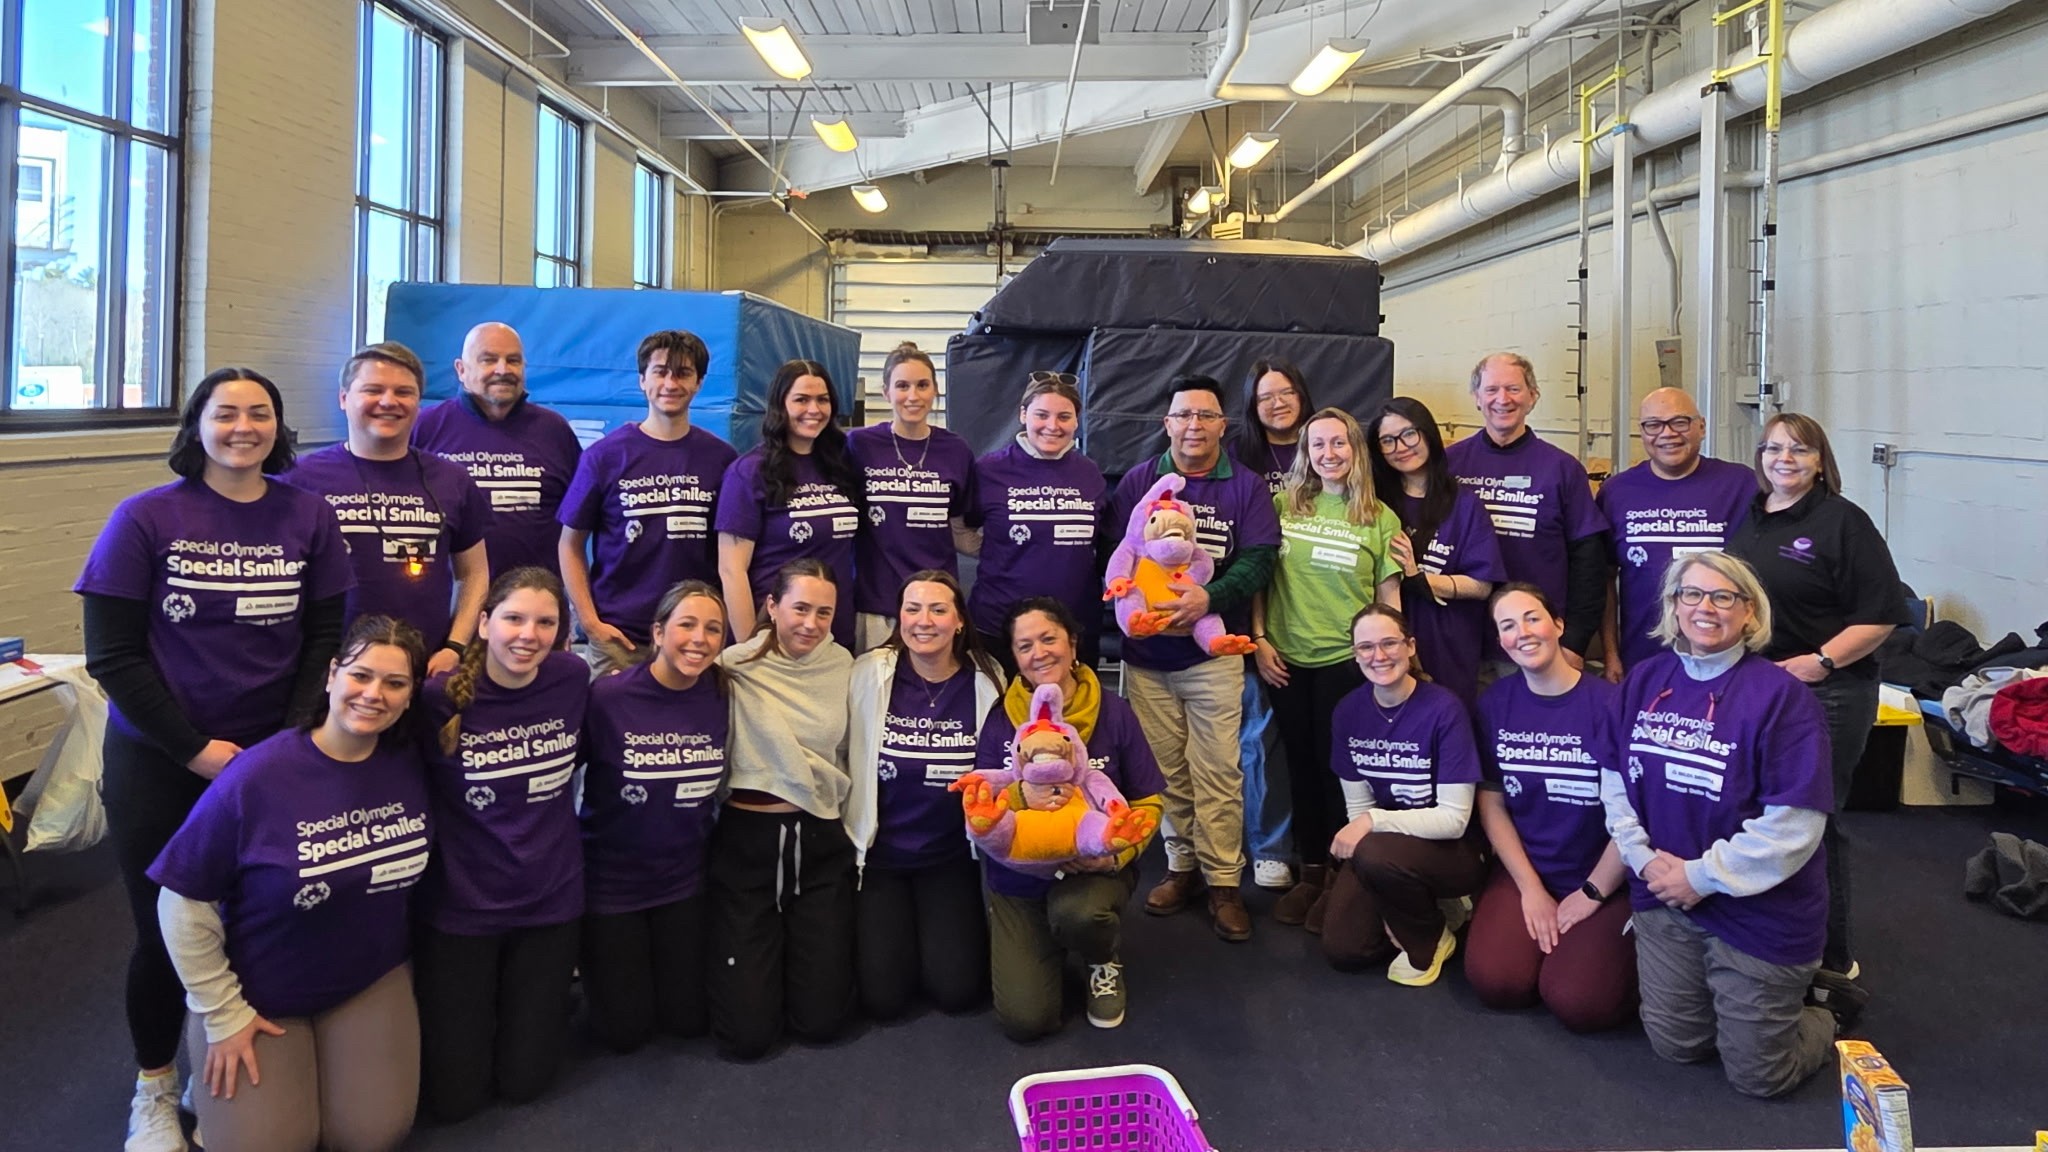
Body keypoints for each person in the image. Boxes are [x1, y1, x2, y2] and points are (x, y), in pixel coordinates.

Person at [76, 366, 353, 1152]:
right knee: (162, 929)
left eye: (259, 413)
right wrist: (195, 750)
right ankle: (154, 1087)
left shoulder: (308, 515)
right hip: (161, 760)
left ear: (279, 427)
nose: (243, 427)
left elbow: (324, 640)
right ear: (196, 424)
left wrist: (289, 741)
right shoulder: (143, 519)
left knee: (257, 919)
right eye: (225, 413)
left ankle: (218, 1056)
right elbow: (115, 658)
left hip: (271, 758)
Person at [149, 616, 432, 1152]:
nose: (374, 694)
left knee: (372, 1135)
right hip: (260, 995)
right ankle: (210, 1092)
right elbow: (181, 900)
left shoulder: (410, 764)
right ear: (331, 675)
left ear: (411, 695)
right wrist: (223, 1014)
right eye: (361, 675)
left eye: (394, 683)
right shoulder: (258, 775)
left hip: (367, 978)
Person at [1605, 550, 1860, 1097]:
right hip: (1663, 893)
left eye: (1724, 597)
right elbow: (1615, 781)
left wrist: (1698, 877)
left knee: (1759, 1078)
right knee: (1677, 1045)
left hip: (1760, 909)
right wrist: (1644, 859)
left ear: (1749, 611)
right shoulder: (1644, 680)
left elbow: (1794, 825)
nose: (1705, 608)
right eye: (1690, 594)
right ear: (1673, 606)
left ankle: (1826, 1010)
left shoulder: (1783, 697)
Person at [1726, 414, 1909, 981]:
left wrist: (1819, 661)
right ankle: (1769, 938)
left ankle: (1832, 960)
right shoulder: (1752, 517)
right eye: (1773, 448)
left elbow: (1881, 615)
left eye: (1799, 449)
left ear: (1820, 459)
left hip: (1826, 690)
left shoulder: (1842, 522)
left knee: (1812, 823)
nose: (1784, 458)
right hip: (1761, 687)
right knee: (1761, 813)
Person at [414, 568, 589, 1122]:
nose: (527, 635)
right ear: (484, 623)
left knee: (524, 1083)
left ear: (562, 633)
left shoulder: (570, 679)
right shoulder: (437, 698)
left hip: (551, 898)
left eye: (545, 623)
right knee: (455, 1099)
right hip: (464, 905)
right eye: (513, 618)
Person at [1115, 373, 1281, 942]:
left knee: (1219, 772)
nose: (1194, 426)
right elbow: (1119, 555)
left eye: (1205, 415)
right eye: (1183, 415)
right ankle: (1181, 867)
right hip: (1147, 660)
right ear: (1167, 424)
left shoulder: (1247, 488)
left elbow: (1260, 561)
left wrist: (1211, 597)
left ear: (1222, 425)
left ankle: (1224, 883)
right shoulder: (1140, 481)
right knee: (1166, 774)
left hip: (1213, 657)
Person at [978, 598, 1165, 1038]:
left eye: (1048, 639)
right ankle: (1047, 945)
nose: (1039, 653)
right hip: (1018, 878)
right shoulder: (1002, 716)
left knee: (1080, 914)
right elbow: (984, 804)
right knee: (1026, 1020)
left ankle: (1101, 956)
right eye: (1025, 646)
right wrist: (1023, 795)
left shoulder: (1114, 712)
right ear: (1015, 658)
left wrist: (1118, 856)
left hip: (1092, 872)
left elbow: (1149, 801)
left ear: (1073, 643)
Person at [1254, 408, 1404, 932]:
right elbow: (1261, 580)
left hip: (1349, 662)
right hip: (1287, 659)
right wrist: (1259, 640)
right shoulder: (1282, 506)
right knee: (1297, 766)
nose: (1329, 454)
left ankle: (1343, 874)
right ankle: (1311, 871)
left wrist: (1395, 657)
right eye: (1318, 445)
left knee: (1337, 769)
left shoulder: (1380, 518)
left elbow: (1388, 597)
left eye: (1339, 443)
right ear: (1306, 454)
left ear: (1355, 450)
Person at [1466, 584, 1636, 1033]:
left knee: (1582, 1005)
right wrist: (1530, 889)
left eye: (1532, 618)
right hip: (1529, 869)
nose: (1522, 632)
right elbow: (1492, 801)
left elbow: (1636, 818)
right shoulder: (1494, 704)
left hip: (1605, 876)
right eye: (1507, 625)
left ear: (1558, 625)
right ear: (1500, 640)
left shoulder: (1612, 705)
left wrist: (1593, 892)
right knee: (1497, 983)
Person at [707, 559, 857, 1059]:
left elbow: (845, 754)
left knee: (823, 1024)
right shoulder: (732, 665)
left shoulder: (844, 668)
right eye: (799, 609)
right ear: (771, 606)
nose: (811, 624)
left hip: (818, 838)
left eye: (824, 612)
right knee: (746, 1038)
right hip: (748, 841)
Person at [577, 579, 729, 1053]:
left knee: (687, 1021)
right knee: (625, 1033)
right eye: (686, 625)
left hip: (684, 884)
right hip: (612, 886)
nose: (699, 639)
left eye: (713, 629)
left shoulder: (722, 696)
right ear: (658, 633)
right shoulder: (608, 698)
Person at [846, 571, 1004, 1019]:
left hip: (948, 858)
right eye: (912, 609)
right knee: (883, 1000)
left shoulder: (988, 682)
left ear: (958, 621)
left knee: (957, 992)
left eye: (938, 609)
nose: (924, 620)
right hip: (881, 858)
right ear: (899, 618)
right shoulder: (868, 673)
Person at [284, 342, 492, 675]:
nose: (388, 402)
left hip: (424, 669)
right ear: (343, 399)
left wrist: (455, 646)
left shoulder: (451, 480)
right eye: (373, 390)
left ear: (418, 403)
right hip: (324, 671)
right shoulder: (299, 479)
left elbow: (474, 573)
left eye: (403, 392)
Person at [1320, 605, 1486, 985]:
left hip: (1453, 851)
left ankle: (1431, 935)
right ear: (1355, 653)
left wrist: (1374, 821)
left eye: (1389, 643)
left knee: (1373, 851)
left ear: (1410, 646)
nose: (1378, 656)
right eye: (1366, 647)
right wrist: (1370, 828)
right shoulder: (1348, 711)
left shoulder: (1445, 709)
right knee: (1344, 950)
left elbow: (1453, 820)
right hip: (1383, 851)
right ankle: (1416, 905)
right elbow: (1358, 807)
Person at [558, 330, 737, 673]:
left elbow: (733, 555)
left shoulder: (722, 459)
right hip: (620, 640)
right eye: (660, 372)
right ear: (642, 380)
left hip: (694, 638)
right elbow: (570, 544)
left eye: (683, 373)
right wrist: (590, 622)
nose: (671, 383)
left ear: (699, 382)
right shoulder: (604, 457)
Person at [1444, 354, 1608, 669]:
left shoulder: (1563, 470)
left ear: (1533, 397)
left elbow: (1589, 564)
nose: (1502, 399)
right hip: (1460, 641)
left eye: (1514, 389)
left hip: (1535, 644)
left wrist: (1575, 643)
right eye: (1491, 390)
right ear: (1477, 398)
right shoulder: (1449, 464)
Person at [1596, 387, 1754, 681]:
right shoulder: (1617, 493)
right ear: (1642, 433)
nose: (1667, 434)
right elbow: (1603, 582)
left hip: (1725, 660)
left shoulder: (1740, 485)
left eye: (1680, 422)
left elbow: (1760, 573)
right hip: (1643, 660)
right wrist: (1611, 654)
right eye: (1653, 425)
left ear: (1702, 427)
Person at [961, 372, 1109, 675]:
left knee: (1071, 720)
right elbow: (959, 526)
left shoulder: (1089, 473)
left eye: (1064, 416)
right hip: (999, 627)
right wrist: (998, 551)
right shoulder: (990, 470)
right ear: (1023, 414)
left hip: (1073, 628)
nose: (1052, 426)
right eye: (1042, 414)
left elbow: (1100, 543)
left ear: (1077, 421)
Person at [412, 321, 583, 583]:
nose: (502, 370)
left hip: (534, 604)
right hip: (445, 599)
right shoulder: (425, 428)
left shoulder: (555, 430)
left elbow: (586, 517)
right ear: (461, 369)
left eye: (513, 360)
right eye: (488, 360)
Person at [1366, 397, 1506, 708]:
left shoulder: (1465, 504)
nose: (1400, 446)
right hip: (1383, 649)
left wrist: (1418, 579)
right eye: (1387, 440)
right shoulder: (1372, 505)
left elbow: (1482, 585)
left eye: (1409, 434)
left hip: (1449, 644)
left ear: (1428, 433)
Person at [716, 361, 864, 651]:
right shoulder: (749, 472)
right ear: (780, 405)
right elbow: (731, 570)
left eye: (823, 400)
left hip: (834, 633)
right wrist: (749, 647)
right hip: (774, 637)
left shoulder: (840, 466)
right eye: (801, 400)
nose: (814, 409)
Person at [1233, 359, 1311, 892]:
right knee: (1259, 737)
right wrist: (1258, 634)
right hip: (1258, 610)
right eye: (1265, 397)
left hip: (1320, 613)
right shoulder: (1241, 456)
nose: (1278, 403)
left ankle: (1324, 848)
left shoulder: (1330, 442)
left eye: (1286, 393)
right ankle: (1271, 847)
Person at [847, 343, 976, 653]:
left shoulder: (955, 450)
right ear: (886, 392)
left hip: (936, 602)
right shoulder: (859, 445)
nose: (913, 396)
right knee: (875, 695)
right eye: (902, 386)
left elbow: (960, 527)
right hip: (876, 601)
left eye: (922, 385)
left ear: (935, 391)